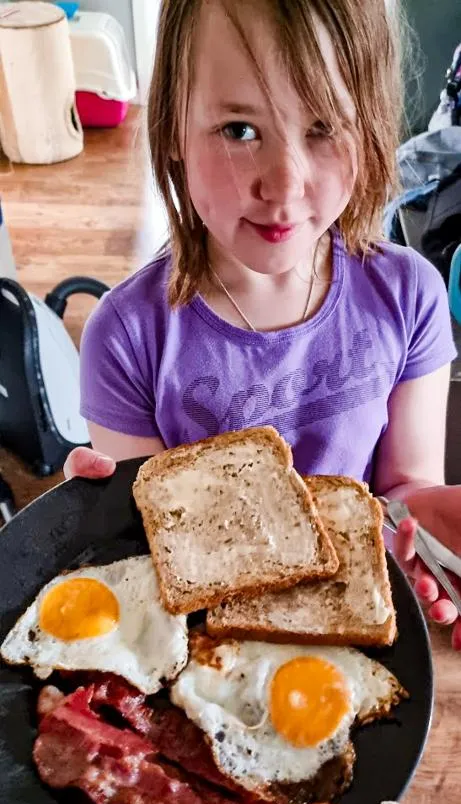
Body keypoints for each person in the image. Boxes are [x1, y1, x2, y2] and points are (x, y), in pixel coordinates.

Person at [65, 0, 461, 650]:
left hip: (355, 630)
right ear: (170, 129)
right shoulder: (126, 337)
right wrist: (96, 521)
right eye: (239, 129)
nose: (284, 183)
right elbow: (158, 544)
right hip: (215, 645)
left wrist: (429, 526)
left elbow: (400, 491)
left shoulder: (409, 294)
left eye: (323, 125)